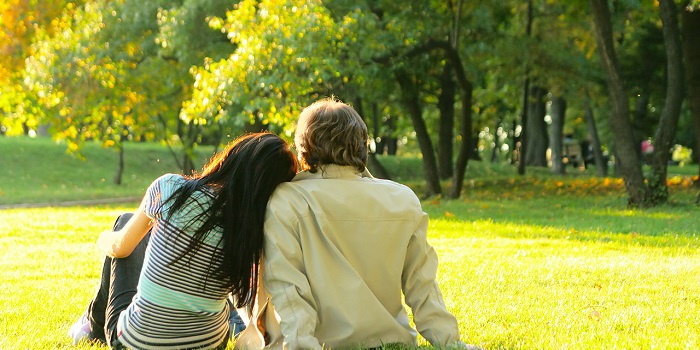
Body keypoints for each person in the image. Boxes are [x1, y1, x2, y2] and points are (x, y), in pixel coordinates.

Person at [236, 98, 477, 349]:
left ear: (304, 147)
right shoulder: (403, 199)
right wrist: (450, 342)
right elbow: (422, 284)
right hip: (390, 338)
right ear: (363, 144)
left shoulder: (287, 199)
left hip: (313, 341)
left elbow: (288, 289)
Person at [68, 132, 298, 349]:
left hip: (136, 342)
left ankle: (94, 328)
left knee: (125, 222)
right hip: (208, 344)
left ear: (232, 157)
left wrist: (103, 238)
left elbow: (120, 248)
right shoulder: (255, 229)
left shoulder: (170, 188)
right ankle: (91, 325)